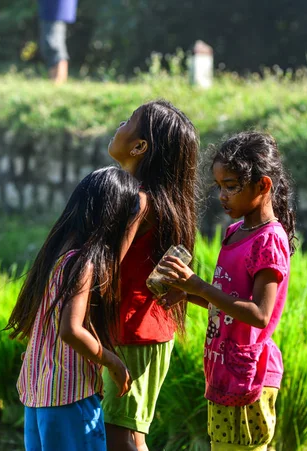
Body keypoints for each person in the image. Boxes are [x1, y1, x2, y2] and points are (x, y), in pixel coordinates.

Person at [157, 131, 296, 451]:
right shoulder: (235, 232)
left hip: (250, 376)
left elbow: (259, 314)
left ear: (263, 185)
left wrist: (199, 286)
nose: (222, 195)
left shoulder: (269, 239)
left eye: (231, 186)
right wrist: (187, 293)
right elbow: (230, 305)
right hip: (222, 370)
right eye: (219, 186)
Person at [5, 167, 141, 450]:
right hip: (71, 395)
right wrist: (113, 362)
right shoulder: (84, 264)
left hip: (39, 395)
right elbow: (71, 330)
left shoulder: (55, 256)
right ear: (114, 220)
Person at [103, 99, 199, 450]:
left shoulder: (140, 202)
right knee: (123, 431)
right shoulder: (159, 200)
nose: (119, 124)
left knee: (122, 435)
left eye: (128, 120)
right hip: (140, 329)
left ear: (140, 146)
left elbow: (106, 266)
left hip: (134, 332)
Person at [38, 0, 78, 84]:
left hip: (56, 8)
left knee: (53, 43)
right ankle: (53, 79)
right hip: (50, 9)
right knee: (49, 43)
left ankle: (59, 79)